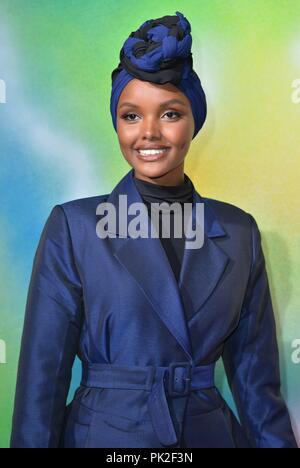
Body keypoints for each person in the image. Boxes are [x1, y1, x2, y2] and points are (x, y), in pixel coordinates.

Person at [10, 11, 297, 448]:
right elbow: (40, 386)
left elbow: (259, 392)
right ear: (117, 122)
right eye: (130, 116)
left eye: (169, 113)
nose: (148, 133)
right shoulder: (74, 228)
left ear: (193, 120)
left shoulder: (239, 232)